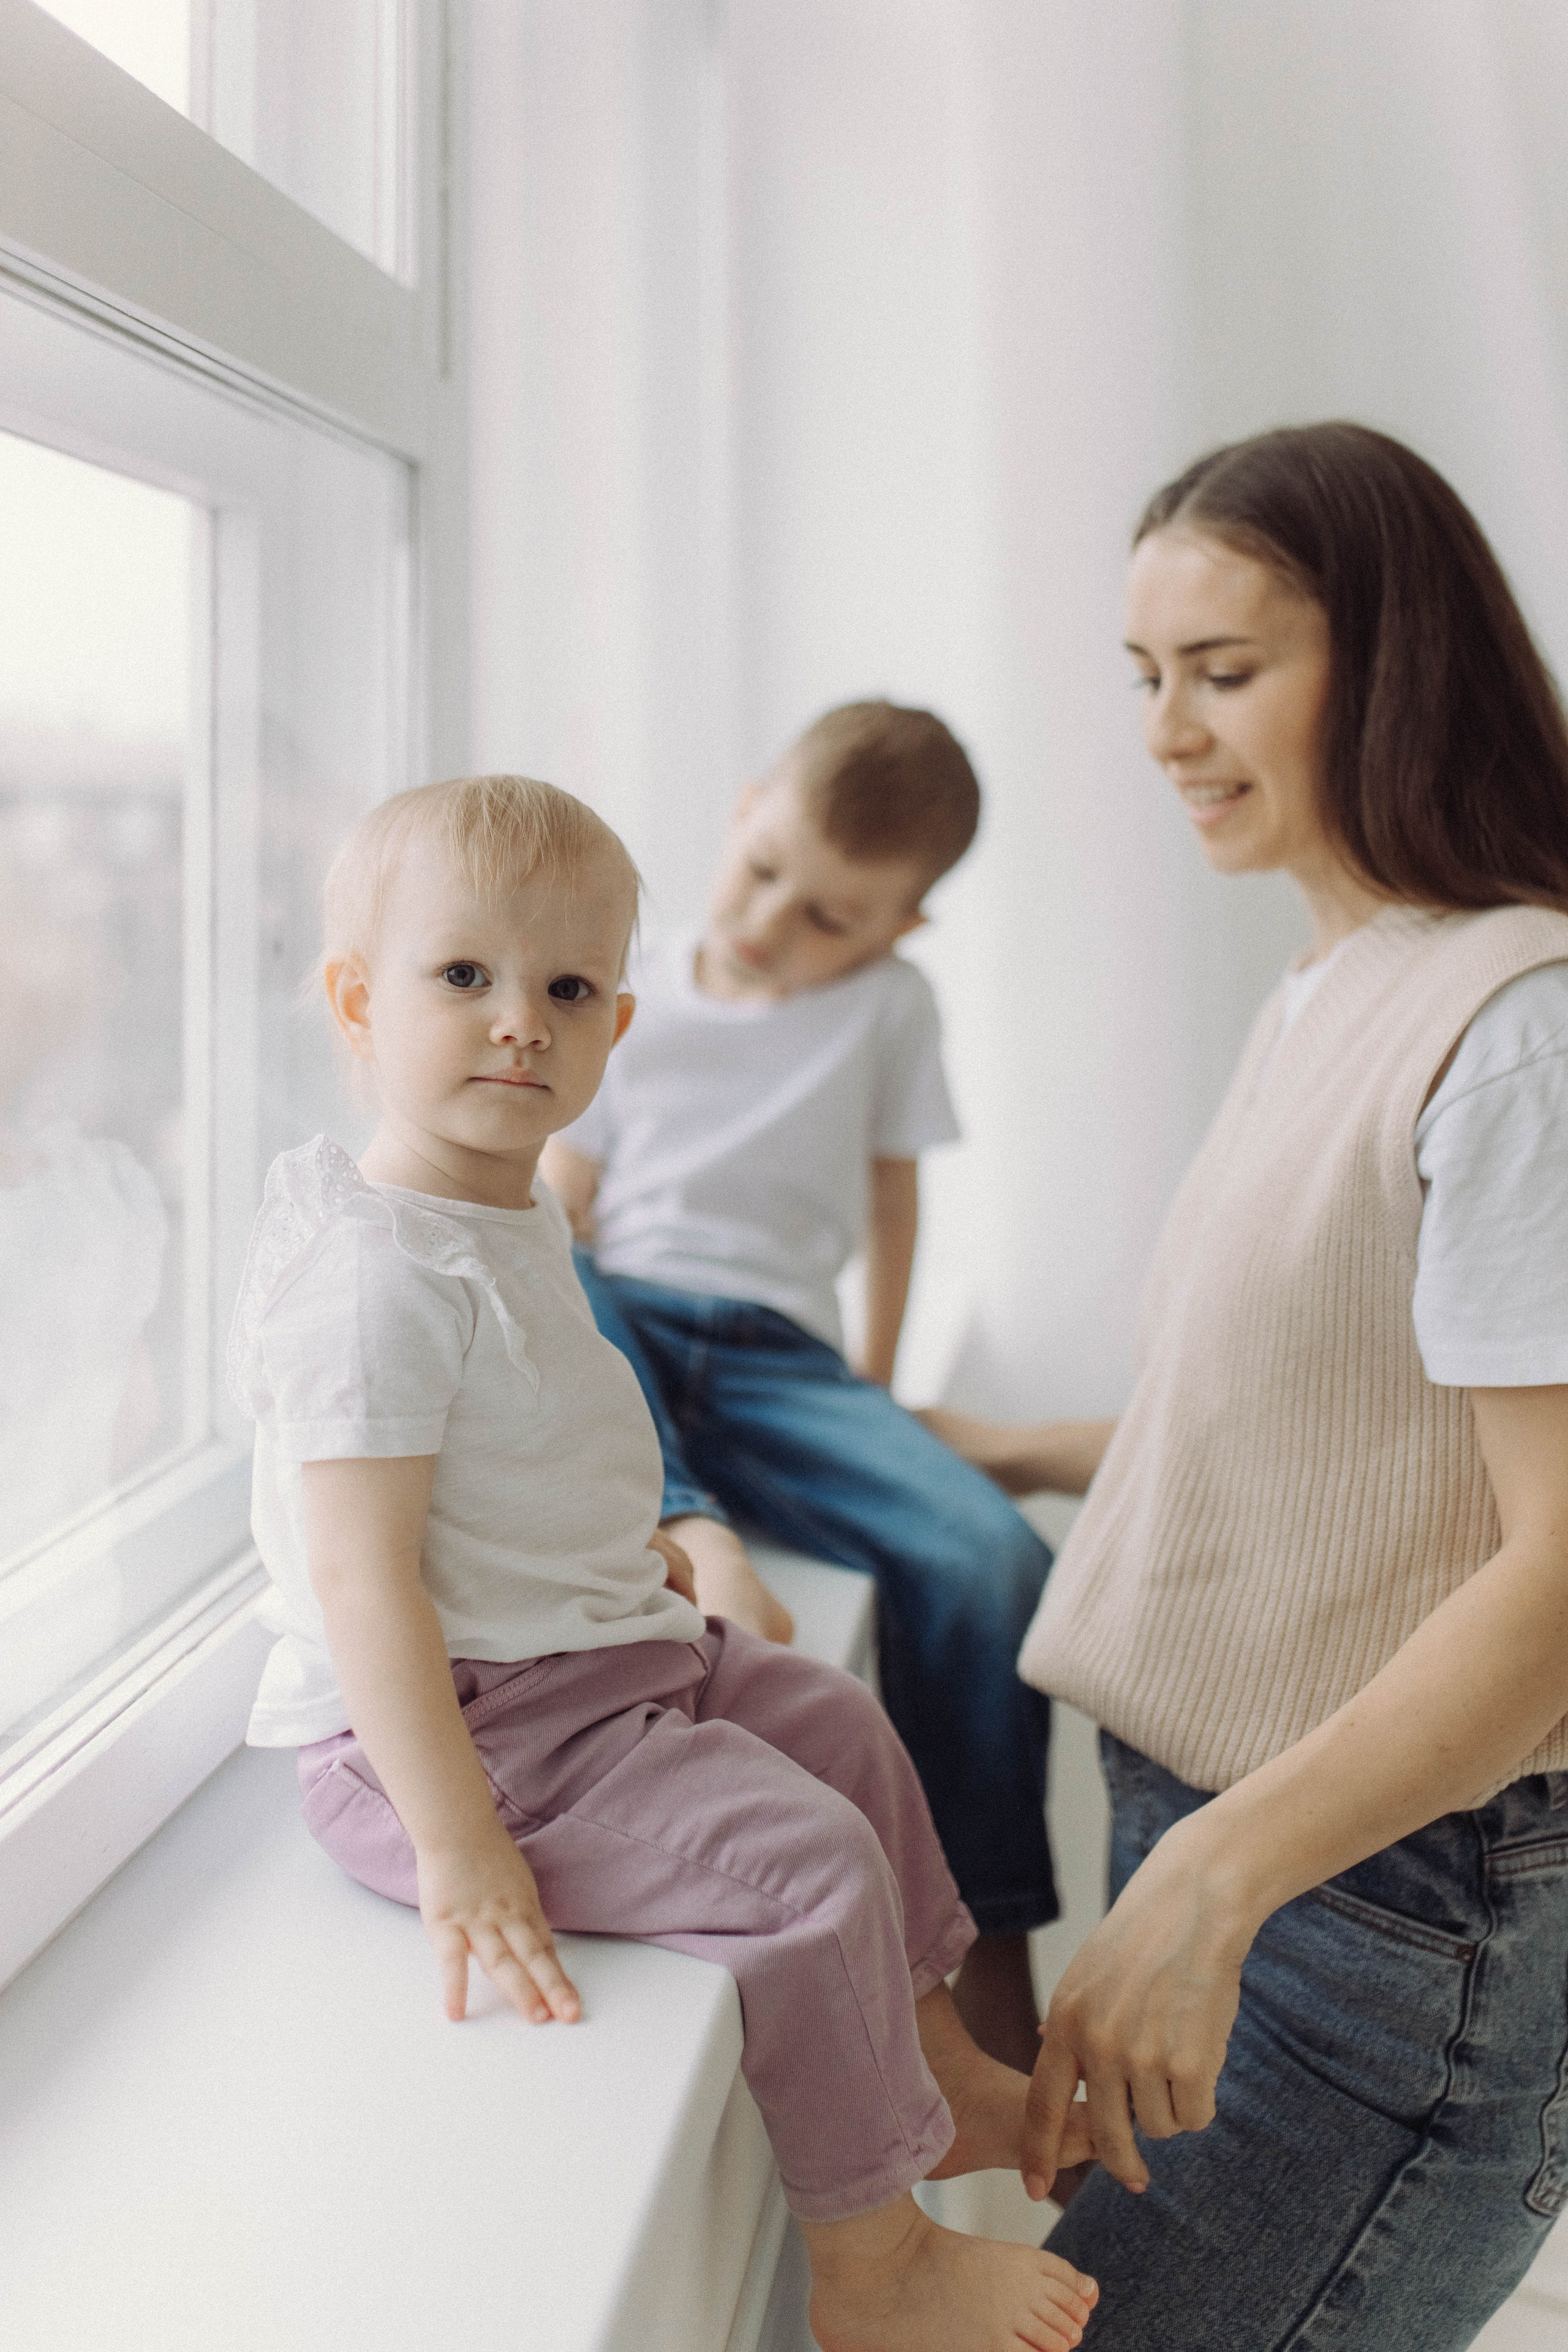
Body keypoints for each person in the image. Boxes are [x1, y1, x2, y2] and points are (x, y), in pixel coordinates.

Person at [227, 773, 1098, 2352]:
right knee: (806, 1867)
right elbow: (364, 1589)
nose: (519, 1025)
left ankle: (940, 2072)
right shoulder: (375, 1278)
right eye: (462, 978)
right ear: (358, 1002)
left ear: (616, 1030)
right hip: (467, 1739)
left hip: (590, 1659)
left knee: (838, 1724)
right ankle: (872, 2269)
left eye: (565, 990)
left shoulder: (506, 1217)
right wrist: (458, 1845)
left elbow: (516, 1467)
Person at [929, 423, 1568, 2350]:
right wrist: (988, 1450)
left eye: (1224, 671)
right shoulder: (1333, 987)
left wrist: (1215, 1881)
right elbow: (1332, 1448)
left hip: (1374, 1909)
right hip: (1239, 1849)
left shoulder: (1517, 1031)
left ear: (1395, 661)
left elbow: (1554, 1579)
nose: (1166, 730)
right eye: (1145, 679)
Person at [540, 701, 1058, 2073]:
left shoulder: (890, 1009)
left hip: (776, 1354)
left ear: (899, 930)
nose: (775, 923)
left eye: (833, 916)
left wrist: (875, 1386)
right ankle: (696, 1524)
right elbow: (564, 1199)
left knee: (991, 1562)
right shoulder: (614, 979)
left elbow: (895, 1205)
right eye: (766, 869)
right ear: (744, 807)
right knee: (534, 1232)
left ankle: (992, 1937)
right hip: (625, 1323)